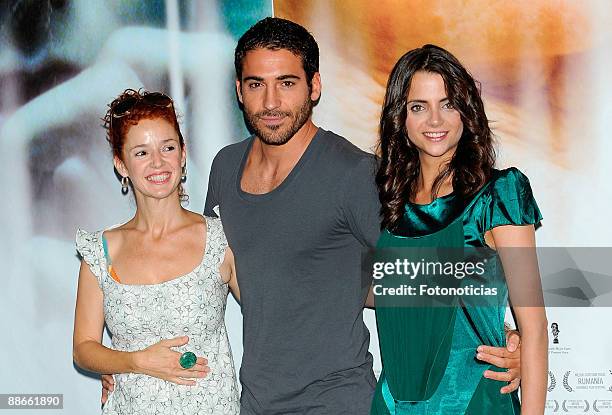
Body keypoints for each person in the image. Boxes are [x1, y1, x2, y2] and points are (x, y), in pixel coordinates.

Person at [102, 18, 525, 414]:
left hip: (337, 399)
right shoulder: (224, 168)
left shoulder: (354, 173)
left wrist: (506, 334)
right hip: (253, 399)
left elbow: (426, 270)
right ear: (238, 90)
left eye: (287, 83)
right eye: (256, 84)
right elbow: (201, 279)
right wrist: (128, 357)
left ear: (314, 86)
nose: (271, 102)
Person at [371, 44, 548, 414]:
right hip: (393, 402)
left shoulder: (499, 195)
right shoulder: (386, 202)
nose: (435, 120)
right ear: (400, 120)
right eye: (418, 107)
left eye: (448, 103)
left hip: (472, 401)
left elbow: (533, 328)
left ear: (466, 112)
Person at [72, 89, 240, 414]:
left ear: (183, 153)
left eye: (167, 147)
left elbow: (271, 312)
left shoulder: (221, 237)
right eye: (141, 153)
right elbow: (83, 348)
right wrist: (134, 362)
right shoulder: (100, 251)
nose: (158, 162)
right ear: (121, 164)